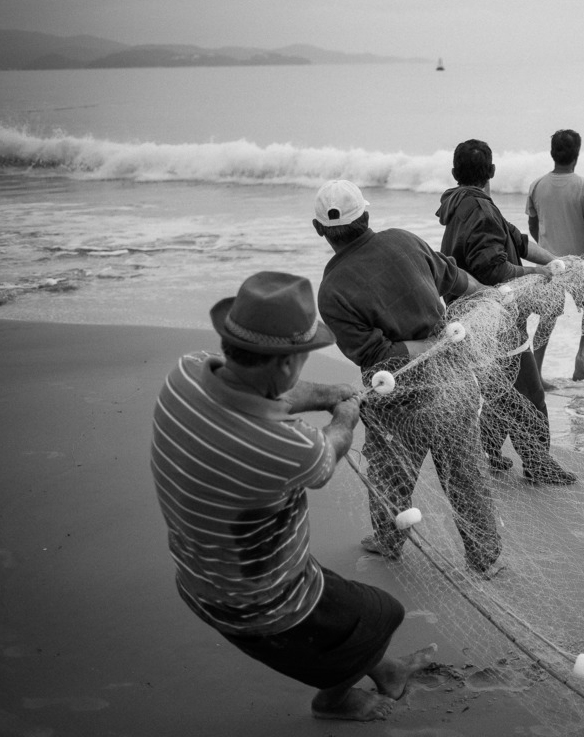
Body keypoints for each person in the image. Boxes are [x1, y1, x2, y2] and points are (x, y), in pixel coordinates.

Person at [150, 271, 436, 722]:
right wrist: (344, 416)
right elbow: (328, 451)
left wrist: (332, 393)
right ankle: (333, 701)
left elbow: (269, 388)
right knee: (384, 614)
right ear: (286, 365)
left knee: (349, 614)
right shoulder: (286, 445)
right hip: (256, 599)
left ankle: (386, 670)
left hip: (197, 571)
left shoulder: (185, 373)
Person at [311, 179, 503, 576]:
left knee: (389, 469)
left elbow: (376, 355)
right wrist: (487, 296)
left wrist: (424, 345)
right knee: (464, 472)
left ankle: (389, 541)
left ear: (319, 229)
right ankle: (484, 559)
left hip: (395, 394)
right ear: (366, 215)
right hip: (451, 379)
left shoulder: (331, 290)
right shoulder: (404, 240)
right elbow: (457, 280)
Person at [436, 138, 576, 485]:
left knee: (501, 388)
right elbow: (494, 268)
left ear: (454, 173)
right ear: (493, 171)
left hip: (470, 314)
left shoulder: (464, 203)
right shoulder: (480, 210)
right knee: (529, 391)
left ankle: (488, 452)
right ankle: (538, 464)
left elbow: (518, 240)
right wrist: (536, 272)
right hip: (490, 315)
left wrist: (557, 262)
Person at [525, 128, 584, 385]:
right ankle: (581, 355)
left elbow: (532, 224)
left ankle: (537, 372)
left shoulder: (537, 185)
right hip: (579, 263)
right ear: (577, 154)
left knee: (547, 317)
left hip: (549, 263)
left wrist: (544, 249)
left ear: (552, 154)